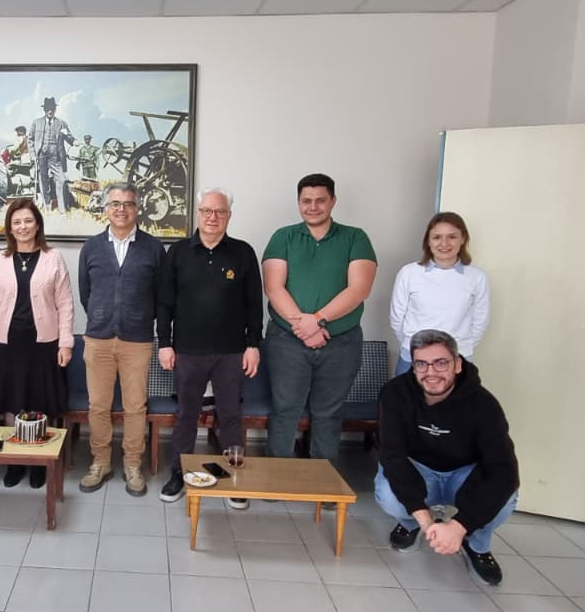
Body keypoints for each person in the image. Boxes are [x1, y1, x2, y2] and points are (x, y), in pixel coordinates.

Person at [374, 329, 519, 586]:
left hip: (464, 474)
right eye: (421, 364)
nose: (431, 372)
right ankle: (411, 524)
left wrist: (459, 526)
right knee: (388, 492)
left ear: (457, 364)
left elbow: (504, 472)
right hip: (419, 469)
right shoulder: (395, 394)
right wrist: (425, 520)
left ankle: (476, 543)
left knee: (505, 498)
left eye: (440, 363)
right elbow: (392, 455)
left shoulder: (484, 405)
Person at [261, 172, 378, 465]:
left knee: (328, 413)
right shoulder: (283, 237)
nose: (313, 207)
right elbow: (273, 288)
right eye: (306, 201)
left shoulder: (355, 237)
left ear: (333, 201)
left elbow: (359, 289)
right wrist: (304, 327)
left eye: (320, 200)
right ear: (298, 202)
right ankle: (275, 478)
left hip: (341, 342)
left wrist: (318, 320)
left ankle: (321, 481)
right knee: (284, 410)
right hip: (287, 341)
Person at [155, 187, 262, 503]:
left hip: (231, 352)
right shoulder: (178, 253)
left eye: (220, 211)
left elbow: (254, 304)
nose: (213, 217)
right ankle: (179, 473)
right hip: (187, 351)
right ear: (198, 213)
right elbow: (164, 303)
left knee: (230, 416)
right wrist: (165, 343)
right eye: (207, 211)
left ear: (229, 215)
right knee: (186, 415)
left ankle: (233, 478)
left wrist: (253, 344)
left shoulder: (243, 252)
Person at [0, 199, 74, 489]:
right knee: (13, 404)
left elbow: (65, 304)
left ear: (38, 225)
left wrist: (66, 343)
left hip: (44, 344)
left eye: (28, 221)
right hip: (7, 345)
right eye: (16, 222)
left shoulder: (53, 258)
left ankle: (39, 463)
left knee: (40, 404)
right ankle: (15, 461)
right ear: (9, 227)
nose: (22, 227)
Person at [78, 182, 165, 496]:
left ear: (137, 208)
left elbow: (162, 296)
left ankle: (132, 464)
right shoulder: (91, 247)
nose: (121, 209)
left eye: (128, 204)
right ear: (105, 208)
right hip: (98, 339)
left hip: (137, 340)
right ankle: (100, 462)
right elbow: (86, 293)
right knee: (98, 406)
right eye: (115, 203)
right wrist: (101, 315)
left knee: (135, 406)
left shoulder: (153, 248)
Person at [389, 211, 489, 377]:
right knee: (405, 395)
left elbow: (480, 321)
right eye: (437, 237)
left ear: (463, 239)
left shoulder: (477, 277)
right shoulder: (409, 273)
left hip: (458, 357)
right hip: (413, 358)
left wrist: (459, 348)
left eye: (452, 237)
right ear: (428, 241)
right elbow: (397, 318)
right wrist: (415, 346)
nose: (444, 243)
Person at [29, 96, 75, 211]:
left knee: (61, 180)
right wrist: (33, 155)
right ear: (44, 109)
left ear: (55, 109)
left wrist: (74, 142)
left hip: (56, 156)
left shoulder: (61, 124)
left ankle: (62, 209)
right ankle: (47, 206)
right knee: (43, 181)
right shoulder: (36, 123)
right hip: (42, 155)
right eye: (47, 108)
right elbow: (30, 139)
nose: (50, 111)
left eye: (52, 108)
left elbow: (69, 137)